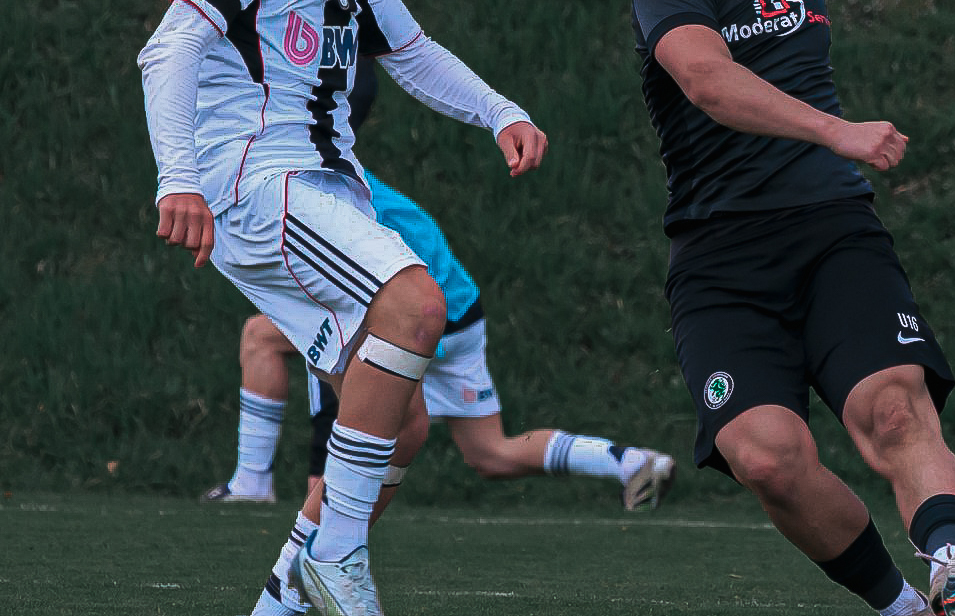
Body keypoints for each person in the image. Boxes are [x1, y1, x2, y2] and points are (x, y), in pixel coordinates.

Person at [139, 0, 546, 616]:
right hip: (254, 184)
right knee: (415, 303)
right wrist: (180, 178)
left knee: (398, 418)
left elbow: (405, 50)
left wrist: (499, 112)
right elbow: (170, 50)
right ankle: (339, 558)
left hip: (319, 183)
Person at [629, 0, 955, 616]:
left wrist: (832, 155)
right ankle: (904, 614)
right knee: (767, 456)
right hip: (719, 254)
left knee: (894, 409)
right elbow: (707, 81)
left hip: (832, 228)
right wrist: (841, 130)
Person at [205, 74, 676, 513]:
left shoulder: (324, 195)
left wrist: (316, 474)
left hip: (417, 315)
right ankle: (630, 463)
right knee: (489, 452)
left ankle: (256, 487)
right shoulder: (345, 178)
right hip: (460, 312)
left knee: (280, 337)